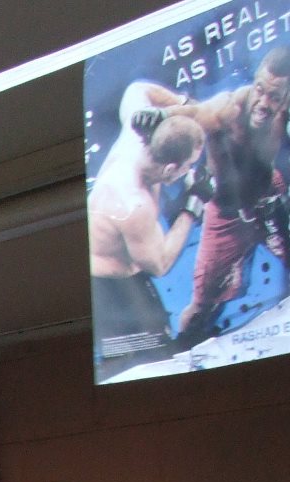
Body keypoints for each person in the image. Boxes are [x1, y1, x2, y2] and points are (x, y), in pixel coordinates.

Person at [134, 48, 290, 345]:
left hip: (268, 196)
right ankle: (185, 354)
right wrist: (162, 117)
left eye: (274, 97)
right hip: (226, 214)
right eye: (260, 90)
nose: (263, 103)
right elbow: (198, 114)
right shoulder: (231, 108)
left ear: (286, 95)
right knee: (202, 305)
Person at [89, 82, 208, 366]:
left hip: (132, 279)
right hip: (109, 290)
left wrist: (177, 105)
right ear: (171, 168)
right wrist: (193, 206)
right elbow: (160, 264)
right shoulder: (133, 203)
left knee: (164, 349)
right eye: (189, 166)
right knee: (146, 366)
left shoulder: (138, 129)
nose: (189, 171)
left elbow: (136, 88)